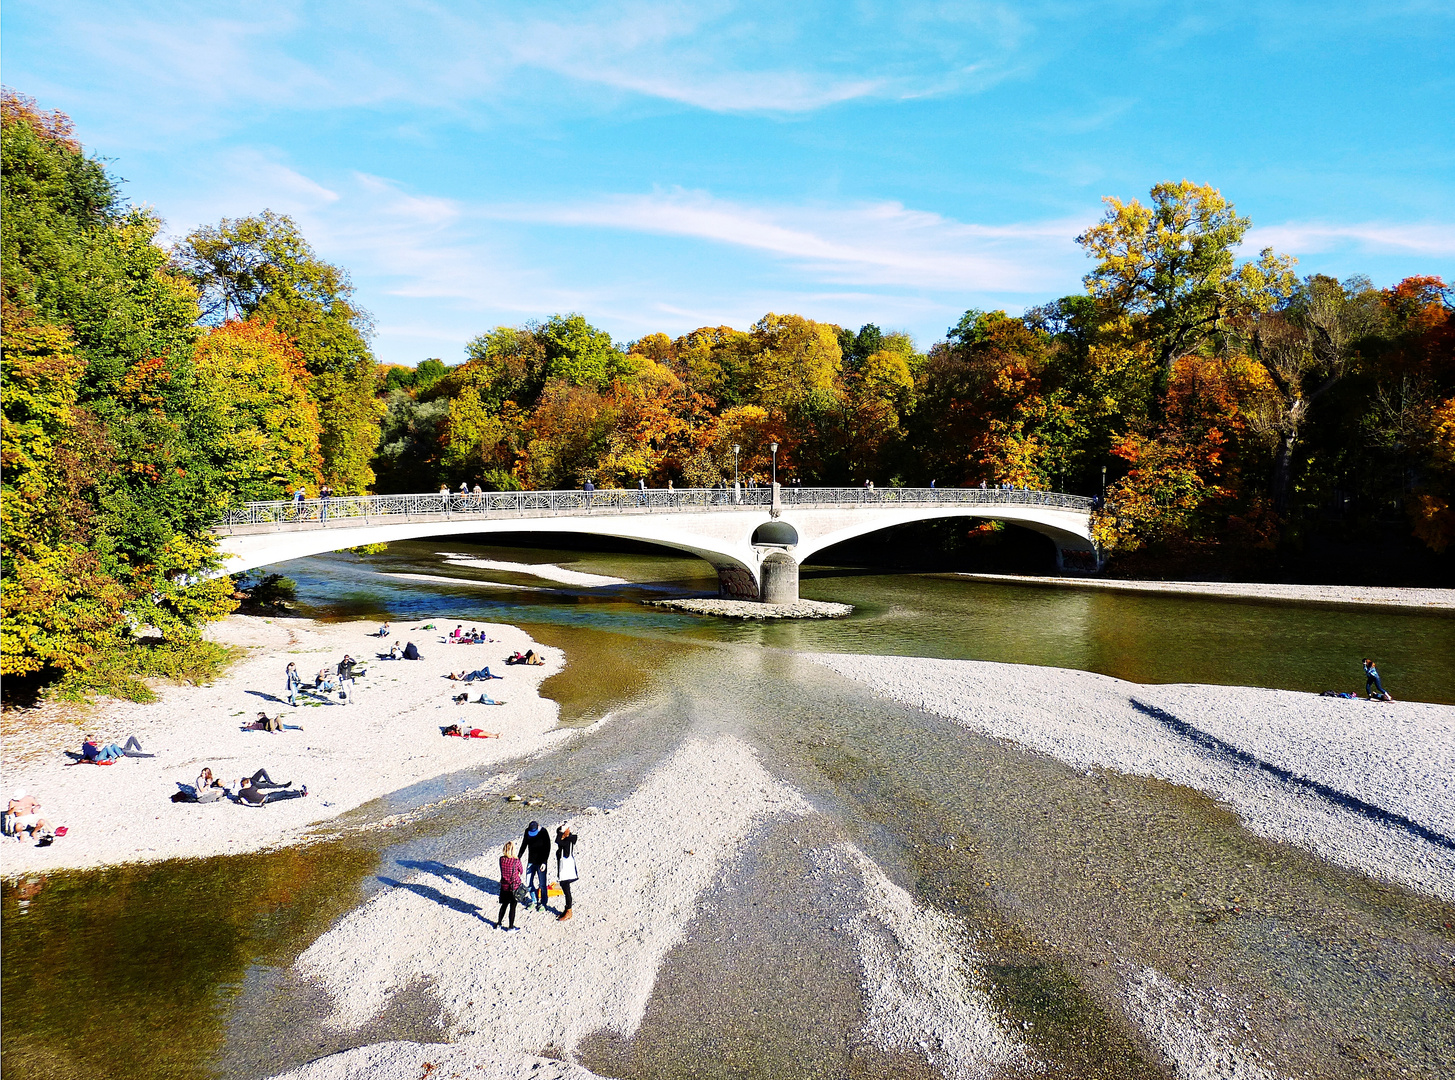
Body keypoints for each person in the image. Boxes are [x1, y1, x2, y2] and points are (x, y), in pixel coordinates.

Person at [519, 820, 552, 912]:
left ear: (538, 827)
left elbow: (547, 848)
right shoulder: (527, 831)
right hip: (531, 861)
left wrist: (544, 862)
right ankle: (534, 901)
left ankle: (543, 903)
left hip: (541, 862)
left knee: (542, 884)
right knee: (529, 882)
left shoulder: (544, 832)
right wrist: (519, 857)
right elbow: (524, 844)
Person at [555, 823, 579, 921]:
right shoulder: (570, 840)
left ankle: (569, 911)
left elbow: (557, 841)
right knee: (566, 890)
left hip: (566, 870)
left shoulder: (566, 843)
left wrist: (561, 832)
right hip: (567, 868)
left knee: (567, 891)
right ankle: (567, 910)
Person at [498, 841, 524, 930]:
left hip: (504, 886)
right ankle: (511, 927)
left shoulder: (501, 859)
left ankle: (499, 923)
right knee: (512, 908)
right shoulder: (516, 861)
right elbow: (521, 871)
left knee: (504, 906)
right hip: (514, 888)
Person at [235, 777, 307, 806]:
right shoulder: (253, 788)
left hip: (264, 801)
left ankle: (300, 795)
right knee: (284, 793)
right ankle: (300, 793)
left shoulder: (241, 792)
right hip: (267, 797)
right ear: (247, 783)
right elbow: (261, 793)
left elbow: (244, 802)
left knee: (284, 797)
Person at [83, 735, 151, 762]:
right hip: (96, 757)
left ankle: (120, 755)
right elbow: (86, 754)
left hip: (99, 755)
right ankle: (116, 757)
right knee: (107, 747)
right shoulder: (87, 745)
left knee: (113, 745)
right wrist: (84, 759)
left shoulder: (91, 745)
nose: (94, 739)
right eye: (92, 738)